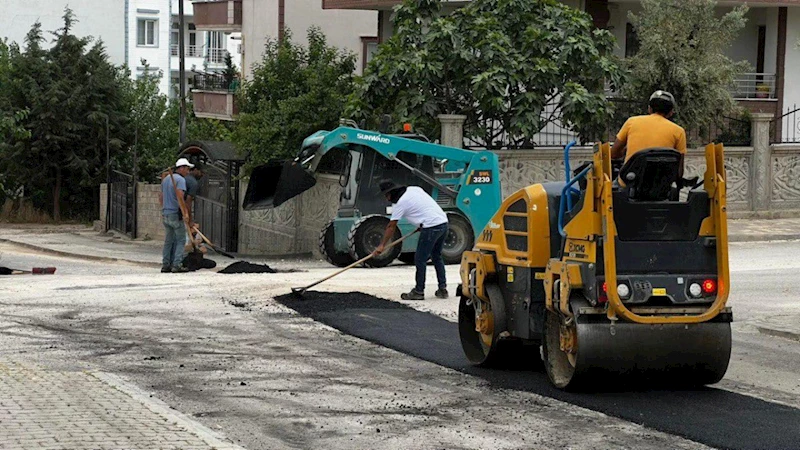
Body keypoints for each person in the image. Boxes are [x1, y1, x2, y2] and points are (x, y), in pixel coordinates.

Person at [373, 180, 449, 300]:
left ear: (392, 193)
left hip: (431, 226)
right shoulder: (414, 189)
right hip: (443, 223)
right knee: (436, 256)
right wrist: (421, 224)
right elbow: (424, 206)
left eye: (387, 196)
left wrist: (382, 245)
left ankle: (419, 291)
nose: (387, 199)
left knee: (420, 259)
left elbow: (391, 226)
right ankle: (442, 289)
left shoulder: (400, 204)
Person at [611, 90, 688, 178]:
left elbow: (613, 154)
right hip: (662, 186)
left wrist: (624, 152)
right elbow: (679, 171)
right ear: (670, 112)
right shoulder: (679, 131)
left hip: (630, 182)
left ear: (649, 109)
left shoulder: (631, 122)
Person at [159, 158, 193, 273]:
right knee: (180, 240)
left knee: (169, 240)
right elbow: (180, 196)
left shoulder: (166, 179)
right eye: (187, 169)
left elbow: (161, 196)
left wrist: (164, 208)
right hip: (175, 213)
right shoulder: (180, 180)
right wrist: (185, 213)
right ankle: (177, 264)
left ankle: (165, 264)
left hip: (166, 213)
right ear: (181, 168)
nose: (188, 172)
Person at [182, 164, 204, 259]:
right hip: (182, 212)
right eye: (201, 172)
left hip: (174, 211)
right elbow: (188, 201)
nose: (201, 175)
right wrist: (190, 218)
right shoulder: (193, 183)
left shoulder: (183, 179)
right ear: (195, 170)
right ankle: (183, 258)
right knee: (184, 236)